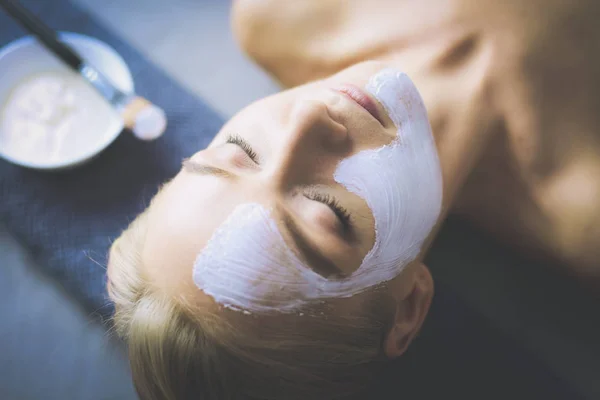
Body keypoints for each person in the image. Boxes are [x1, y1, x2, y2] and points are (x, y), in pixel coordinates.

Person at [107, 0, 600, 399]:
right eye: (330, 213)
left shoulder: (277, 15)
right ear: (408, 308)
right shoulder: (587, 209)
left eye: (239, 151)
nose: (306, 119)